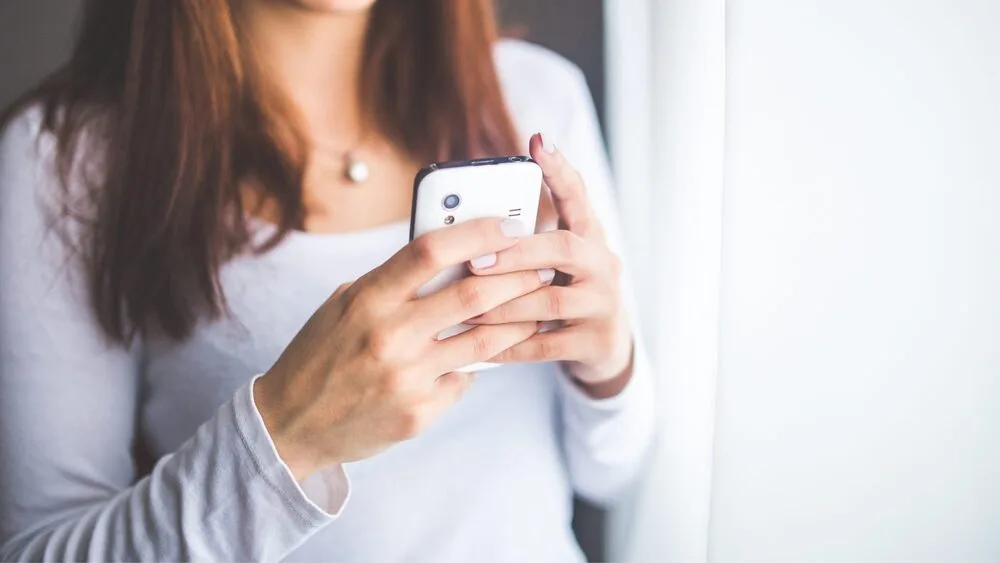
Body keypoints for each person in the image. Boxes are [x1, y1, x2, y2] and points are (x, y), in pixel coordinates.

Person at [0, 0, 655, 561]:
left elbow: (613, 471)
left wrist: (609, 367)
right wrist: (287, 435)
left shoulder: (538, 100)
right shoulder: (63, 162)